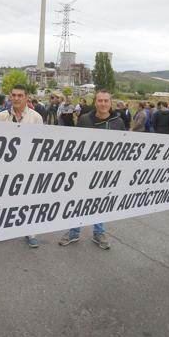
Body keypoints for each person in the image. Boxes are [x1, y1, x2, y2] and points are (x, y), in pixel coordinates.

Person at [58, 90, 124, 250]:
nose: (103, 103)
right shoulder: (84, 120)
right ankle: (74, 231)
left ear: (110, 103)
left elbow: (124, 146)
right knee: (78, 200)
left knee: (99, 202)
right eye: (100, 100)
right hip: (84, 170)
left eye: (106, 101)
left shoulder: (118, 122)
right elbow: (75, 144)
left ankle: (98, 232)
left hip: (106, 172)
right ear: (95, 102)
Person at [0, 85, 44, 247]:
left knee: (28, 201)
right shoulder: (1, 117)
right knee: (3, 199)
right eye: (13, 95)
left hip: (27, 167)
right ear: (10, 97)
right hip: (5, 166)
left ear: (26, 97)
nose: (16, 98)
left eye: (20, 95)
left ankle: (30, 233)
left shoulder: (36, 117)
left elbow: (41, 143)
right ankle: (0, 230)